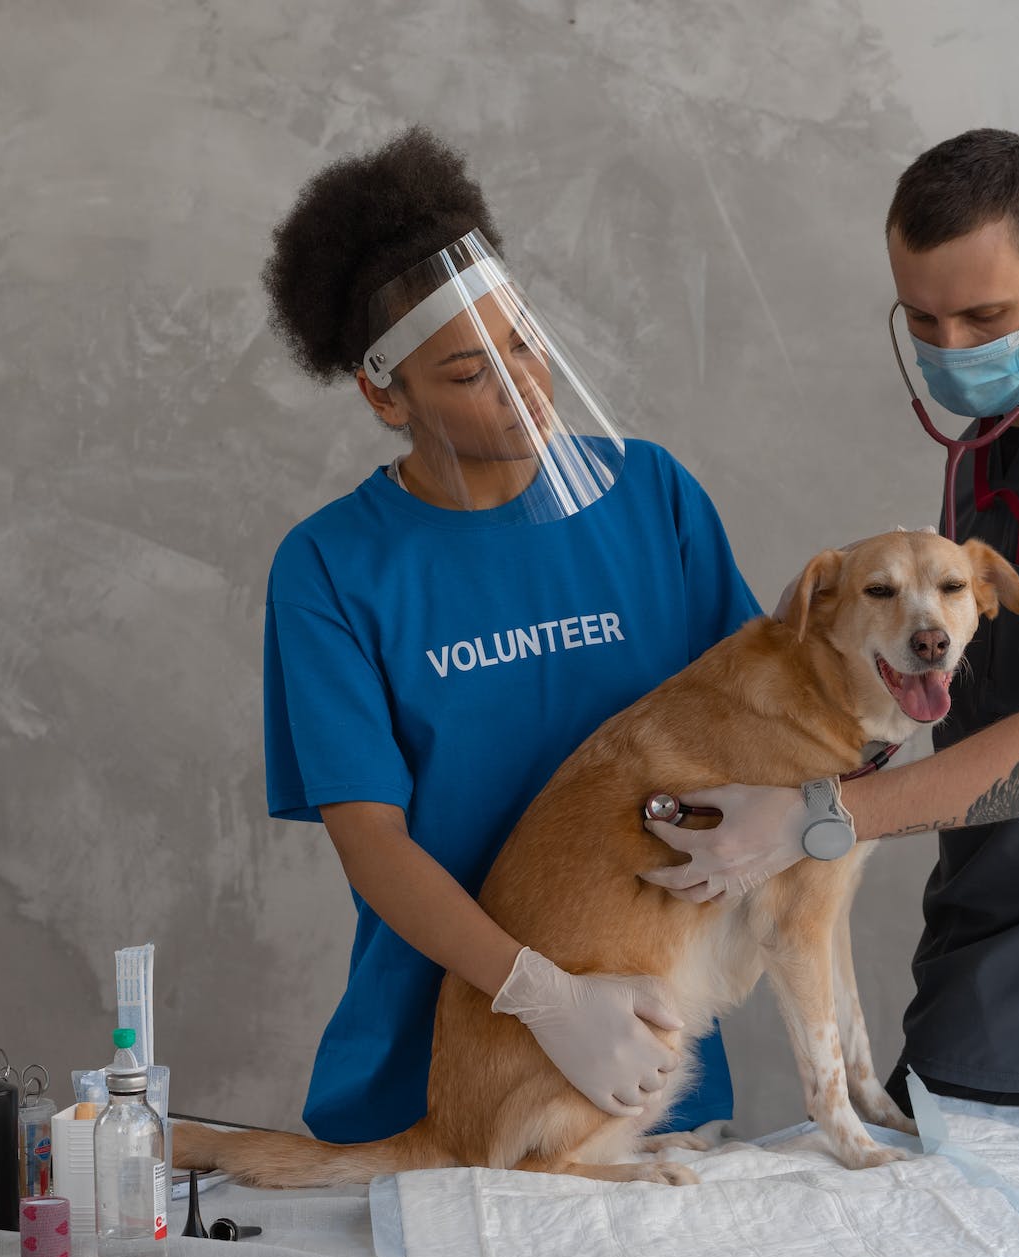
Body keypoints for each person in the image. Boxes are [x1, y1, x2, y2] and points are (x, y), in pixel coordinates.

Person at [644, 129, 1019, 1116]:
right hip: (974, 930)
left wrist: (816, 820)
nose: (955, 350)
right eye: (924, 320)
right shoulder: (980, 453)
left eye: (985, 315)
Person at [260, 127, 764, 1144]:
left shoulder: (649, 495)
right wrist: (542, 997)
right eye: (468, 372)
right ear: (383, 391)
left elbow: (762, 722)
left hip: (643, 1079)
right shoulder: (332, 568)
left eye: (525, 340)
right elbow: (375, 846)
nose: (522, 382)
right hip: (437, 1092)